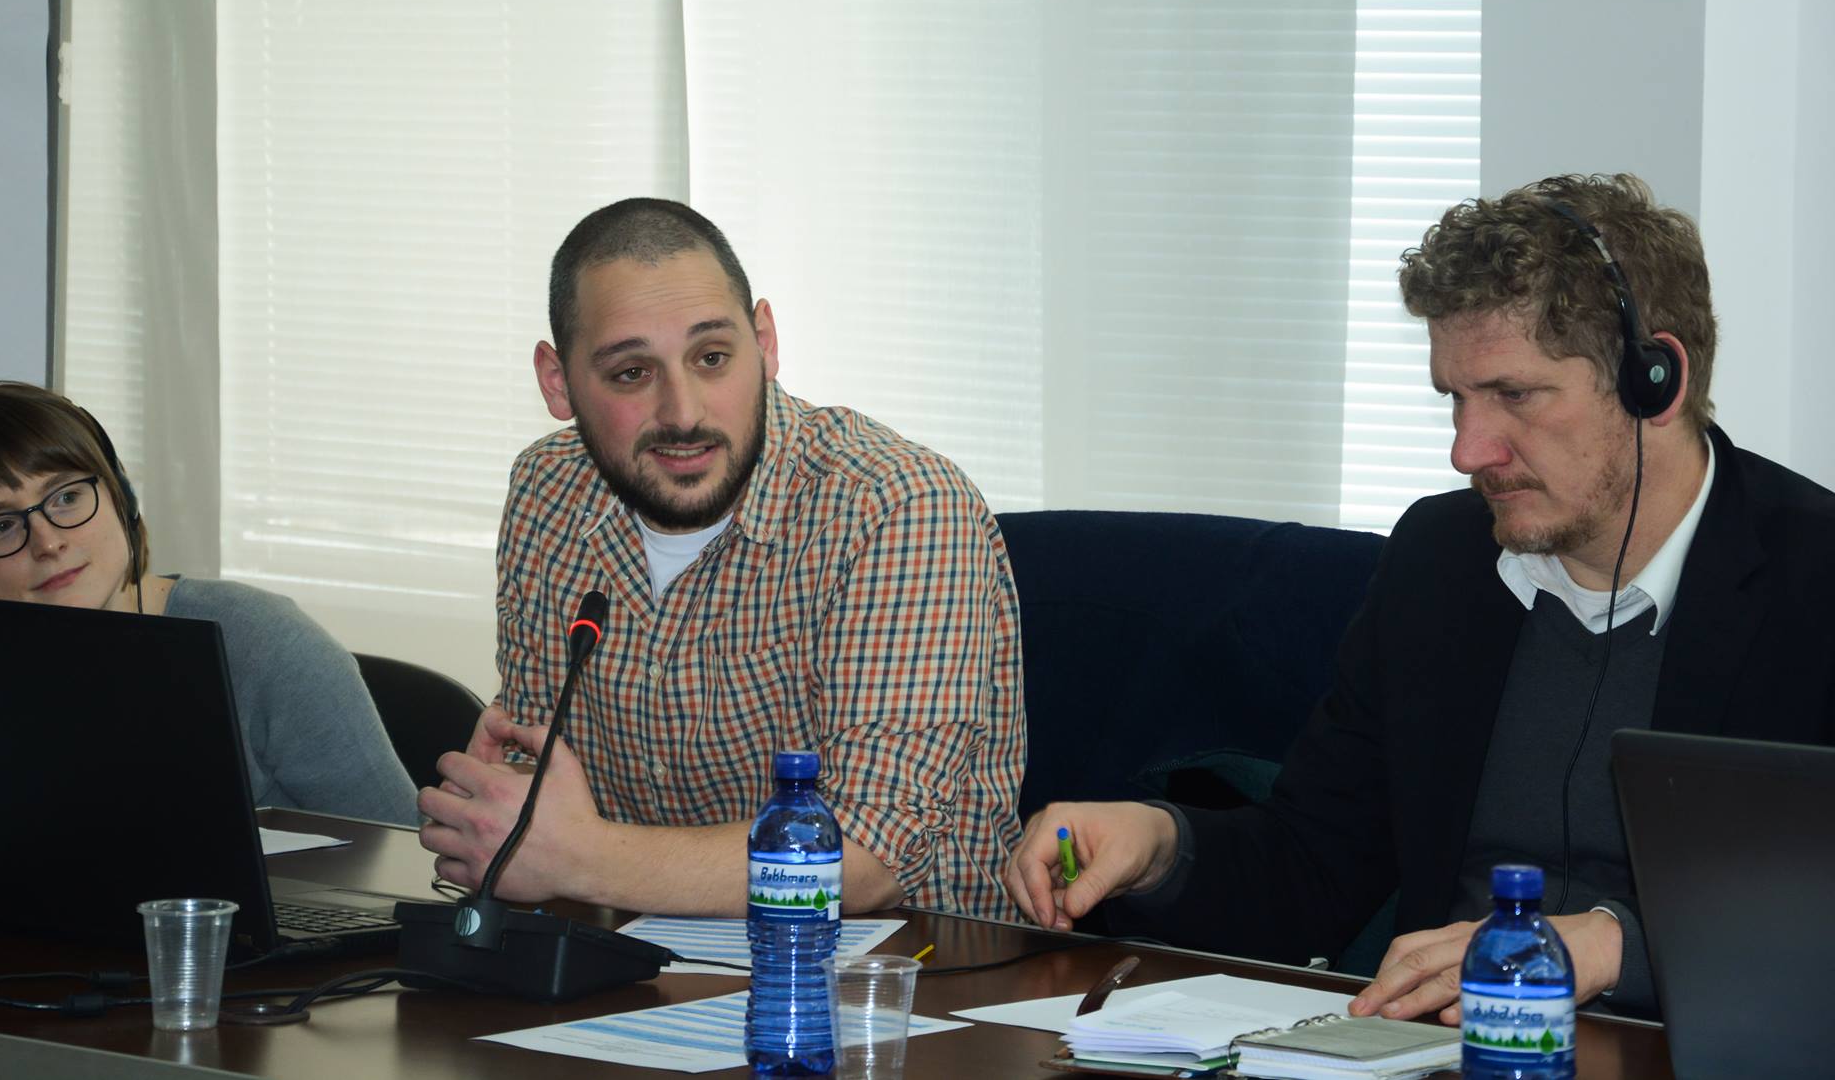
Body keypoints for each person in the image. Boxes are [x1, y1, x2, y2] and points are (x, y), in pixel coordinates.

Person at [1005, 174, 1835, 1022]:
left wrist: (1616, 944)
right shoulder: (1442, 561)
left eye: (1514, 395)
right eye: (1455, 399)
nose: (1468, 451)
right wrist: (1160, 846)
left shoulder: (1814, 578)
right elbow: (1311, 866)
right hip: (1439, 1052)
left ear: (1655, 380)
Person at [417, 198, 1026, 918]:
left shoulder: (894, 506)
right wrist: (502, 808)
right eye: (631, 372)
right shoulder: (548, 491)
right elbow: (537, 776)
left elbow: (871, 855)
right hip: (634, 952)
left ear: (764, 343)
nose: (683, 413)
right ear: (558, 382)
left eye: (712, 358)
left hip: (906, 964)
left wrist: (580, 857)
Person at [0, 380, 418, 826]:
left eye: (66, 497)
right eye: (0, 526)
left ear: (121, 495)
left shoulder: (263, 642)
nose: (47, 542)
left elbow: (398, 864)